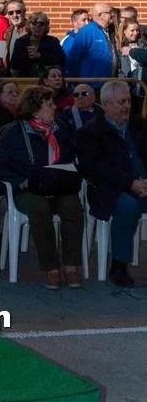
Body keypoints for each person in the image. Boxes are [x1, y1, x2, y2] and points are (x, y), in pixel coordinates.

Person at [0, 86, 84, 289]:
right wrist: (23, 182)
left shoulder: (60, 129)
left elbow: (73, 156)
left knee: (73, 206)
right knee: (39, 208)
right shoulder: (12, 133)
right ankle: (51, 267)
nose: (54, 107)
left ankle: (71, 266)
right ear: (34, 109)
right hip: (27, 189)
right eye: (48, 104)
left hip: (58, 187)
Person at [76, 81, 147, 287]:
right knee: (127, 207)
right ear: (105, 105)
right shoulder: (90, 133)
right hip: (109, 190)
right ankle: (118, 265)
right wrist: (130, 182)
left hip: (142, 185)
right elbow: (95, 169)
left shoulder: (139, 126)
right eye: (120, 102)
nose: (126, 106)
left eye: (128, 101)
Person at [67, 2, 117, 84]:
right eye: (110, 12)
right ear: (100, 15)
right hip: (92, 85)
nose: (113, 15)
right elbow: (74, 59)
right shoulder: (87, 31)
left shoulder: (108, 31)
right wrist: (75, 83)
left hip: (109, 85)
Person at [10, 12, 66, 78]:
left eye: (41, 24)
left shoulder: (53, 42)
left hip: (47, 80)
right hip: (25, 80)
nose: (37, 26)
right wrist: (27, 56)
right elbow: (14, 65)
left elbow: (61, 61)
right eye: (34, 23)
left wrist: (40, 56)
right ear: (29, 24)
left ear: (45, 26)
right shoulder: (21, 42)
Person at [117, 18, 147, 115]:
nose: (135, 33)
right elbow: (119, 70)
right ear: (124, 31)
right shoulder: (117, 47)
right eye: (132, 30)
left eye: (137, 30)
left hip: (143, 90)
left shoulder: (143, 45)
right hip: (127, 91)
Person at [3, 0, 29, 74]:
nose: (14, 15)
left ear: (24, 12)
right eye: (11, 13)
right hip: (10, 79)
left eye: (18, 12)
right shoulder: (7, 32)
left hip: (28, 79)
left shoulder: (32, 31)